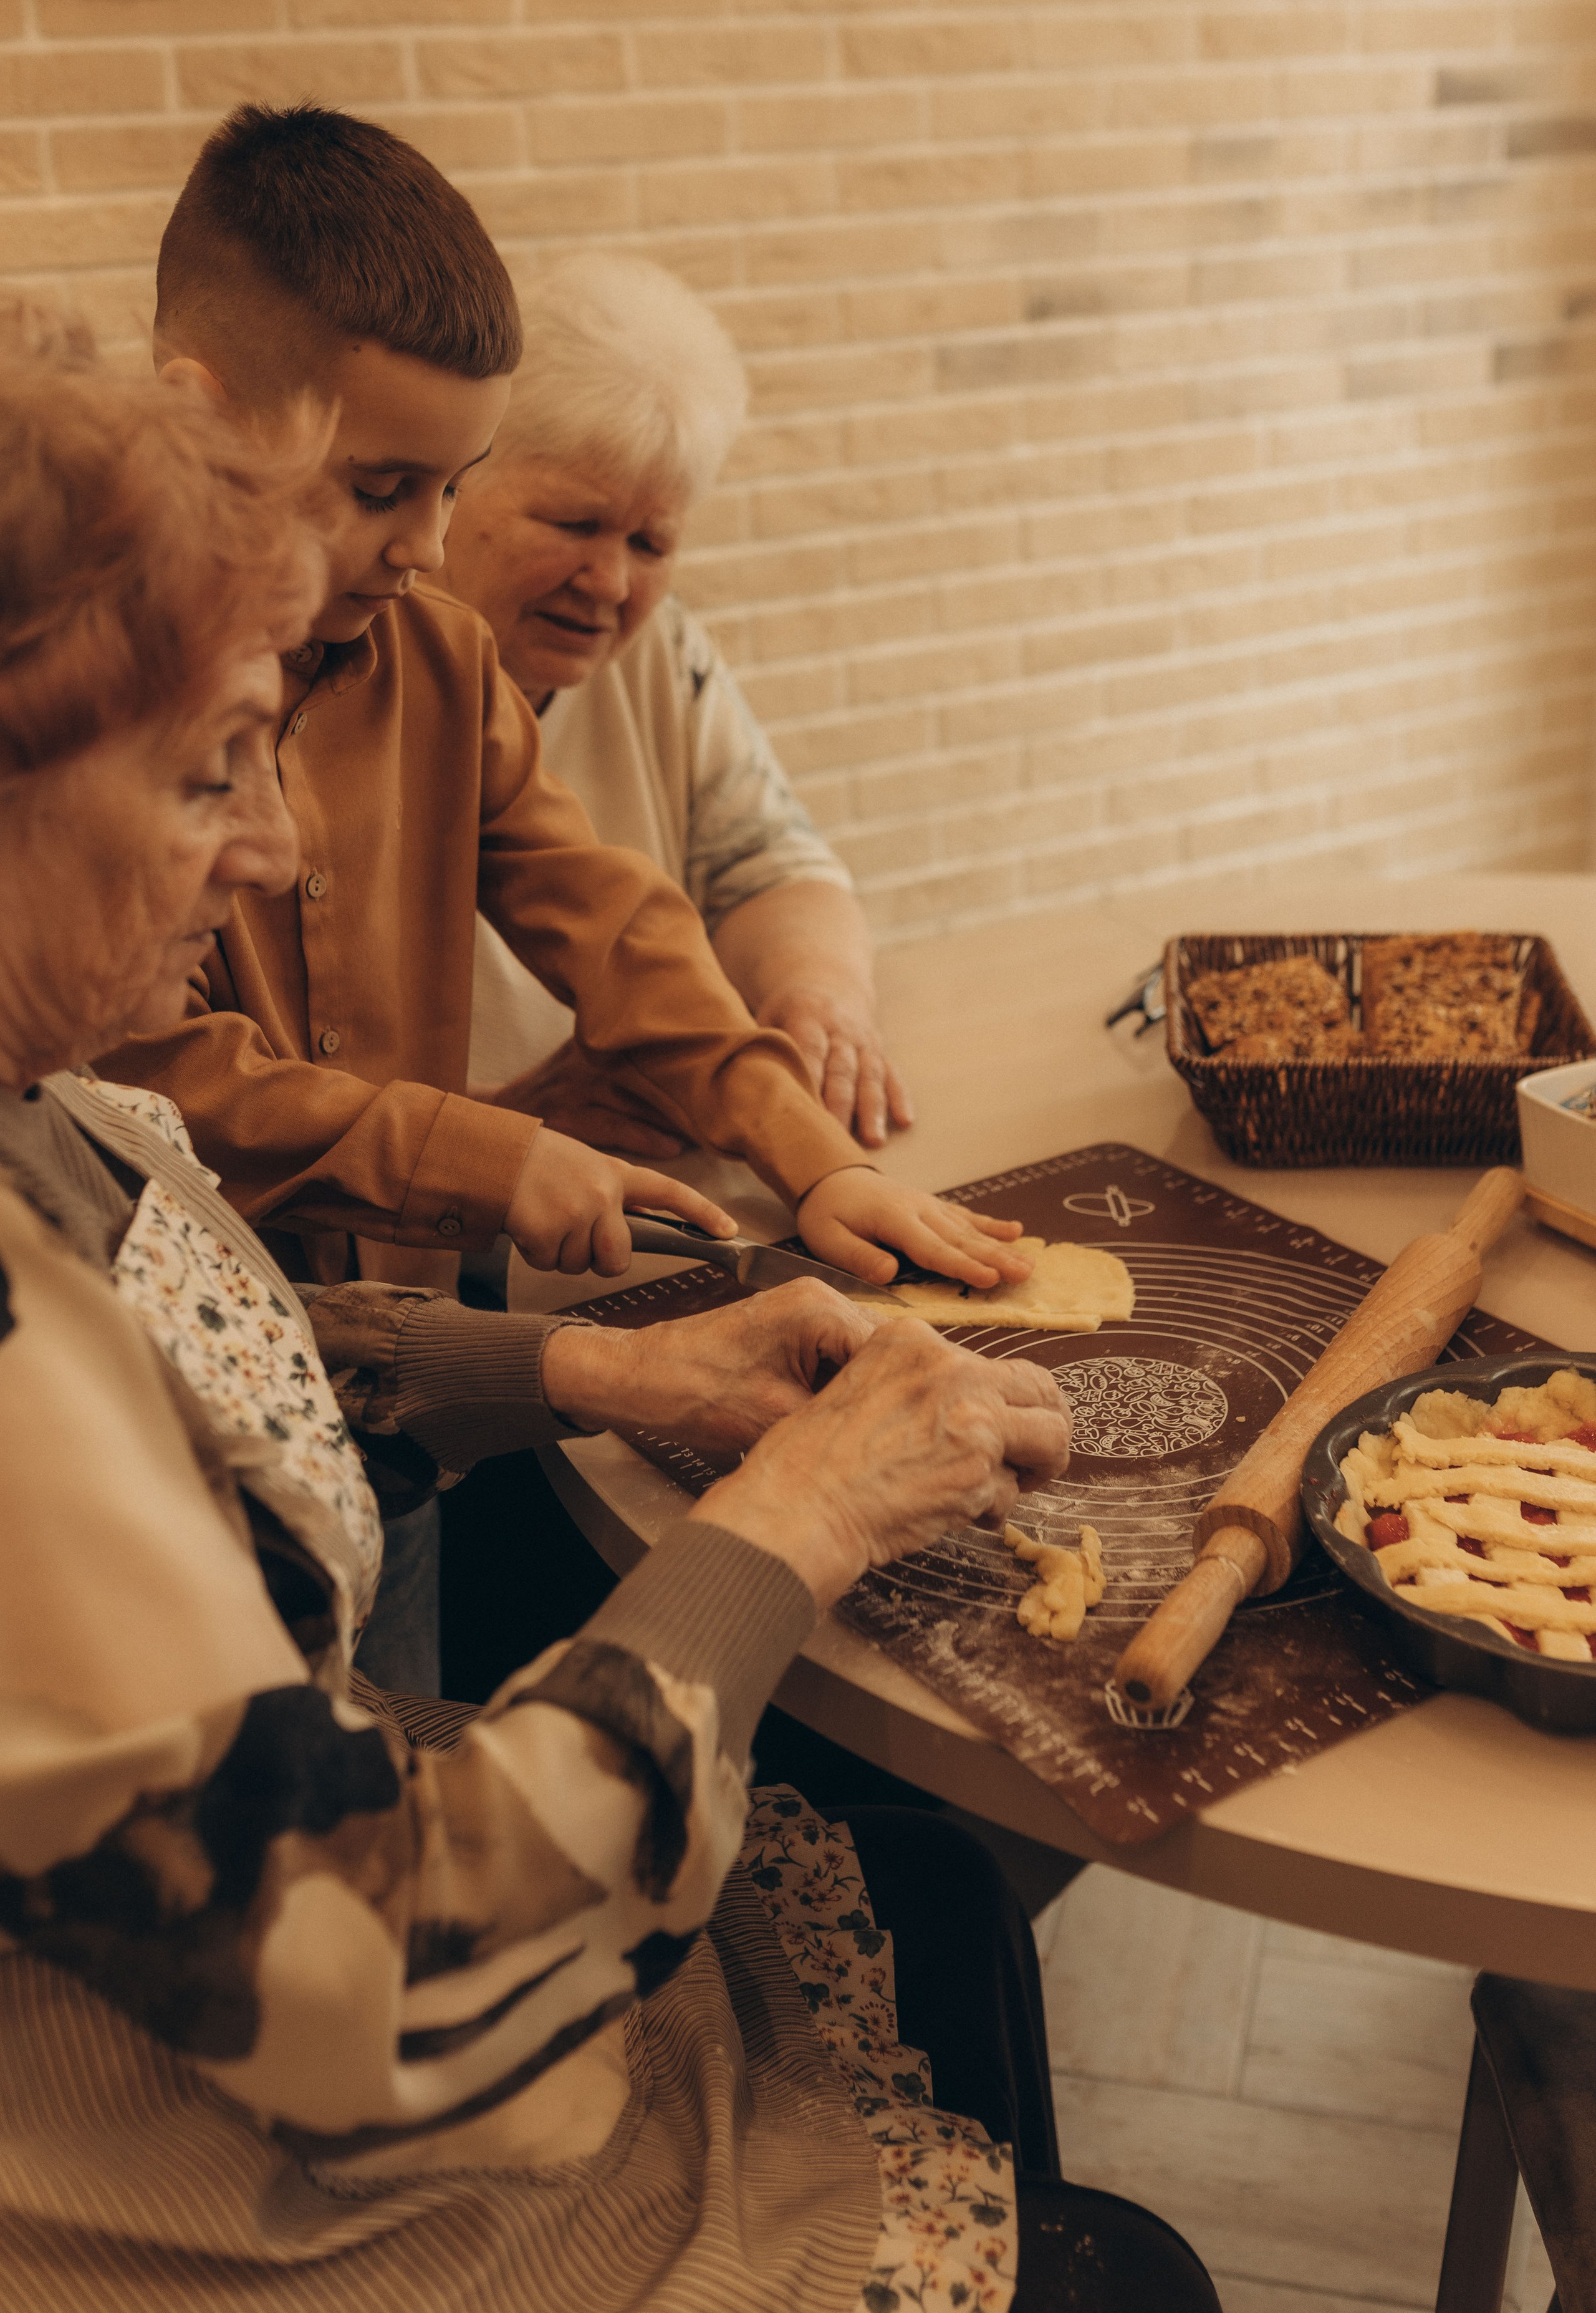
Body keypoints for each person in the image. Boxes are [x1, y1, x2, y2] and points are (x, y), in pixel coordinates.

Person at [0, 352, 1222, 2313]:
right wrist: (799, 1520)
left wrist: (595, 1369)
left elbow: (218, 1344)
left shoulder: (39, 1116)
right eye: (216, 763)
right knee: (1121, 2280)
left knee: (926, 1894)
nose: (279, 851)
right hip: (210, 2202)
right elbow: (388, 2003)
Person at [100, 103, 1027, 1314]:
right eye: (382, 489)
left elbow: (614, 926)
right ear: (201, 413)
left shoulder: (438, 657)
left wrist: (811, 1160)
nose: (426, 545)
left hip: (423, 1352)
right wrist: (494, 1156)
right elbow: (160, 1074)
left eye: (454, 488)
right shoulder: (85, 699)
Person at [440, 252, 911, 1160]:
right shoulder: (349, 673)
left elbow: (765, 862)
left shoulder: (660, 651)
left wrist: (820, 999)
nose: (611, 583)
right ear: (456, 483)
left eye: (652, 541)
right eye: (574, 524)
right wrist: (500, 1123)